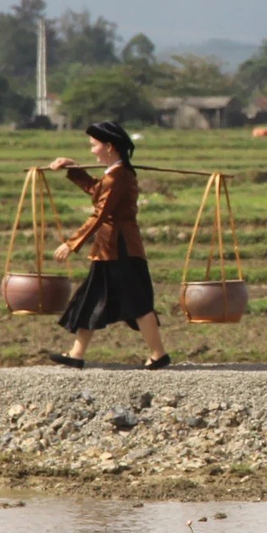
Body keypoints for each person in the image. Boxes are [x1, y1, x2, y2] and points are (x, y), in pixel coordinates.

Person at [44, 121, 171, 370]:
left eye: (94, 145)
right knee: (93, 297)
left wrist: (71, 244)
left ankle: (158, 353)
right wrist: (73, 167)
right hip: (109, 248)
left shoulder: (118, 177)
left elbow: (100, 213)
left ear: (109, 147)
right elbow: (95, 190)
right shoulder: (115, 175)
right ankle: (77, 353)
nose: (91, 151)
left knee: (138, 302)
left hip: (120, 248)